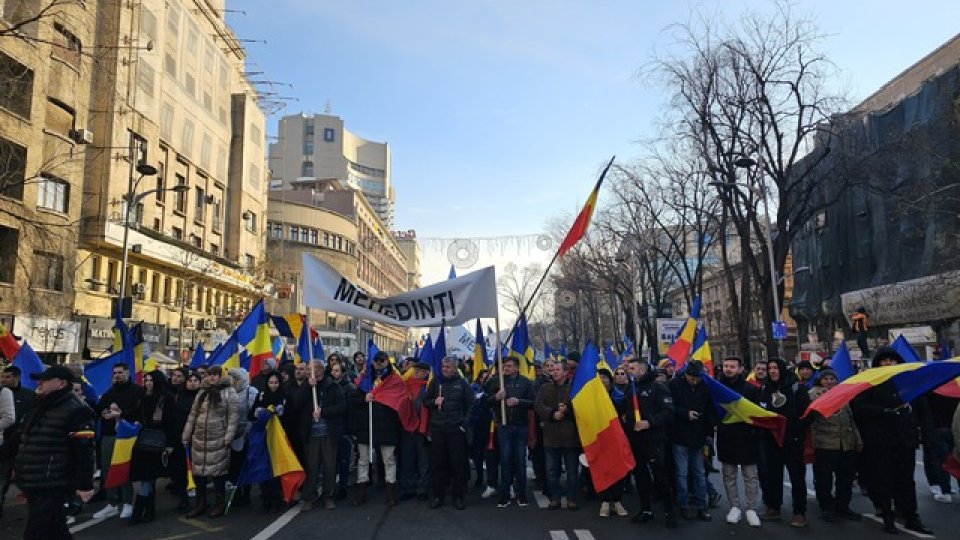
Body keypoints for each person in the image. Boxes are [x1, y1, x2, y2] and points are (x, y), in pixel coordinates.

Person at [853, 346, 933, 535]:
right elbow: (859, 407)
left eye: (892, 360)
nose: (889, 364)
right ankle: (887, 516)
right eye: (884, 360)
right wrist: (884, 412)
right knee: (883, 479)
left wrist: (928, 435)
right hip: (881, 441)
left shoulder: (909, 382)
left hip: (905, 439)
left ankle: (911, 517)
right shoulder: (870, 383)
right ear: (878, 363)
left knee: (906, 481)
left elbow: (923, 411)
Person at [14, 366, 95, 540]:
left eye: (45, 379)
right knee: (55, 531)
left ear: (61, 383)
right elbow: (24, 437)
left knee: (37, 532)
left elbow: (84, 450)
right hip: (35, 480)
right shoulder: (39, 405)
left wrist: (84, 484)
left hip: (53, 482)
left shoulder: (77, 409)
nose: (39, 383)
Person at [619, 356, 677, 528]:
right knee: (641, 477)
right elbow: (625, 408)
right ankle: (646, 510)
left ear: (642, 370)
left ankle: (669, 511)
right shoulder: (631, 388)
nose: (629, 371)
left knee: (660, 477)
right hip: (635, 440)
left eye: (632, 369)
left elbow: (668, 412)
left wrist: (649, 422)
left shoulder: (658, 388)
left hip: (653, 440)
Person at [758, 357, 811, 528]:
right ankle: (774, 507)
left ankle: (799, 512)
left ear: (782, 369)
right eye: (770, 368)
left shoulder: (797, 387)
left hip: (792, 440)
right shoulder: (765, 387)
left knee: (796, 477)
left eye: (775, 368)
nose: (772, 371)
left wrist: (794, 429)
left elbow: (807, 414)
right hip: (772, 440)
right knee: (773, 475)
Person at [182, 365, 240, 518]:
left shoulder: (230, 392)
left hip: (219, 438)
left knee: (218, 473)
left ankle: (219, 503)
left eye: (216, 375)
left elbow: (233, 417)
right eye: (210, 375)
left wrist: (228, 436)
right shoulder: (202, 392)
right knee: (199, 473)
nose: (213, 377)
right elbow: (193, 415)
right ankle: (201, 503)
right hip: (199, 438)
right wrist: (187, 434)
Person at [808, 367, 863, 522]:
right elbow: (811, 419)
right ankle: (826, 507)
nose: (829, 381)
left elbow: (850, 420)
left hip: (846, 443)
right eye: (826, 379)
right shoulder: (813, 395)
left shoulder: (843, 395)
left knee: (845, 478)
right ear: (820, 380)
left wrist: (857, 440)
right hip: (825, 443)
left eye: (832, 379)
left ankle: (843, 506)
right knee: (824, 479)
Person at [92, 362, 144, 520]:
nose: (117, 375)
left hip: (126, 436)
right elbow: (99, 408)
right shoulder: (110, 392)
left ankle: (128, 502)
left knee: (123, 469)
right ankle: (112, 503)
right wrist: (105, 412)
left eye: (120, 372)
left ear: (128, 373)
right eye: (115, 373)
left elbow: (139, 412)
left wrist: (121, 414)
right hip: (109, 434)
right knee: (108, 469)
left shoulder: (137, 391)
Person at [714, 357, 762, 527]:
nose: (728, 369)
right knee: (729, 476)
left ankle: (751, 508)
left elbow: (758, 414)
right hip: (726, 437)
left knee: (750, 476)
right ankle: (734, 507)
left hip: (748, 437)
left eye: (732, 366)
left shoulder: (751, 389)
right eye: (726, 366)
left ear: (741, 369)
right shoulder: (717, 389)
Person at [351, 351, 403, 507]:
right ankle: (362, 491)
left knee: (388, 459)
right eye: (376, 360)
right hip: (367, 425)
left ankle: (391, 492)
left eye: (382, 360)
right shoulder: (365, 380)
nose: (379, 363)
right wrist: (363, 398)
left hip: (387, 426)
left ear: (388, 362)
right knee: (363, 459)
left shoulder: (395, 380)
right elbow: (353, 401)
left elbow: (401, 401)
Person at [424, 356, 475, 509]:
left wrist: (463, 425)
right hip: (439, 429)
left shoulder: (462, 384)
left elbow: (471, 405)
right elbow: (426, 402)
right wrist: (434, 402)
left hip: (456, 430)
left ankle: (458, 496)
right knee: (438, 464)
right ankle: (438, 496)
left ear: (454, 368)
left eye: (447, 367)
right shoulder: (436, 382)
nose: (444, 369)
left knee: (458, 465)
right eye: (443, 366)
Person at [667, 360, 714, 521]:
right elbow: (669, 408)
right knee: (681, 473)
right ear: (686, 374)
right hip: (680, 435)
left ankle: (702, 505)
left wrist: (709, 434)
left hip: (698, 436)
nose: (694, 380)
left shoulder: (706, 387)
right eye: (691, 377)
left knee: (699, 473)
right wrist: (685, 414)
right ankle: (684, 504)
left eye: (697, 378)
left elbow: (709, 411)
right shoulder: (674, 385)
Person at [486, 356, 535, 508]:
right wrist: (496, 397)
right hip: (504, 426)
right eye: (504, 366)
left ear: (517, 368)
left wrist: (519, 402)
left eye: (509, 366)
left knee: (520, 461)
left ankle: (521, 495)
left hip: (521, 426)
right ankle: (504, 495)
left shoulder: (526, 383)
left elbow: (534, 402)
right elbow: (486, 400)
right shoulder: (497, 381)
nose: (505, 369)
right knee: (505, 460)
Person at [297, 360, 346, 511]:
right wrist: (307, 386)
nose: (307, 371)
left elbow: (342, 407)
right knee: (311, 467)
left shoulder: (332, 386)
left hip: (328, 433)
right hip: (311, 434)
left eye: (311, 368)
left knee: (329, 466)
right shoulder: (306, 386)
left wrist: (323, 412)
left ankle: (328, 496)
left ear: (320, 370)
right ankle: (309, 497)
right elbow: (296, 403)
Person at [535, 360, 580, 511]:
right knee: (552, 470)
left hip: (570, 436)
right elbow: (538, 405)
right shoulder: (544, 388)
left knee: (572, 470)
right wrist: (552, 413)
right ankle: (555, 497)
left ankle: (572, 498)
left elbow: (581, 408)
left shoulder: (573, 388)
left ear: (566, 372)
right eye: (553, 370)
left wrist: (568, 409)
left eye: (558, 369)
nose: (554, 372)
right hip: (551, 436)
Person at [129, 370, 173, 525]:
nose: (148, 383)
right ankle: (148, 512)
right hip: (142, 442)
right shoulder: (142, 397)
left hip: (158, 442)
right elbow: (135, 415)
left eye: (151, 380)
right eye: (146, 380)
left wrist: (169, 445)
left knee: (148, 478)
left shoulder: (165, 398)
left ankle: (139, 512)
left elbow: (170, 423)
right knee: (146, 478)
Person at [249, 370, 287, 512]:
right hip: (262, 436)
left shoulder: (284, 395)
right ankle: (266, 497)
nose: (273, 385)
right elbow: (250, 415)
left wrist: (281, 412)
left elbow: (289, 416)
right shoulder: (261, 395)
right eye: (270, 382)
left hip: (278, 437)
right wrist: (257, 412)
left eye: (276, 382)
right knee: (263, 467)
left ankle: (277, 497)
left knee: (276, 468)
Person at [0, 365, 33, 518]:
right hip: (3, 442)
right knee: (3, 476)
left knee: (20, 476)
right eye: (3, 377)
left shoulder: (28, 395)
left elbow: (28, 418)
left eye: (8, 377)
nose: (4, 380)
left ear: (17, 377)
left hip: (19, 442)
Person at [596, 368, 628, 517]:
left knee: (618, 469)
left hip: (616, 436)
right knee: (603, 469)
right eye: (599, 377)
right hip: (599, 437)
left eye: (604, 377)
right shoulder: (592, 397)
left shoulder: (619, 396)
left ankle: (617, 500)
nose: (602, 380)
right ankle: (605, 501)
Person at [168, 371, 201, 511]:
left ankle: (201, 499)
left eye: (195, 380)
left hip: (198, 438)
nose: (192, 383)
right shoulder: (177, 396)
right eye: (190, 380)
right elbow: (171, 417)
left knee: (198, 470)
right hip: (180, 438)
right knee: (181, 469)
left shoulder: (203, 397)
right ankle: (183, 498)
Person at [399, 361, 431, 501]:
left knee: (423, 460)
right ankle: (408, 487)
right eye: (416, 370)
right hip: (407, 427)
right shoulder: (406, 385)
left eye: (420, 371)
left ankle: (423, 488)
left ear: (426, 373)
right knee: (408, 459)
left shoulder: (429, 388)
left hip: (423, 428)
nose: (416, 373)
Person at [227, 367, 259, 508]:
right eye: (232, 379)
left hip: (246, 435)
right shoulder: (230, 393)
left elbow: (254, 415)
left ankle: (245, 493)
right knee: (235, 467)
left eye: (236, 379)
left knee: (245, 466)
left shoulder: (250, 392)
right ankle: (236, 493)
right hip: (233, 435)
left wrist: (247, 432)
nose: (233, 382)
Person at [330, 361, 356, 500]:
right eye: (332, 370)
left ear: (343, 373)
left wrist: (350, 430)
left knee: (344, 460)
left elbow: (350, 410)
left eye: (337, 370)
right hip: (332, 428)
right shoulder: (328, 386)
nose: (334, 373)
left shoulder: (349, 388)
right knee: (331, 460)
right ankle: (331, 487)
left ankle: (343, 487)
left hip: (344, 428)